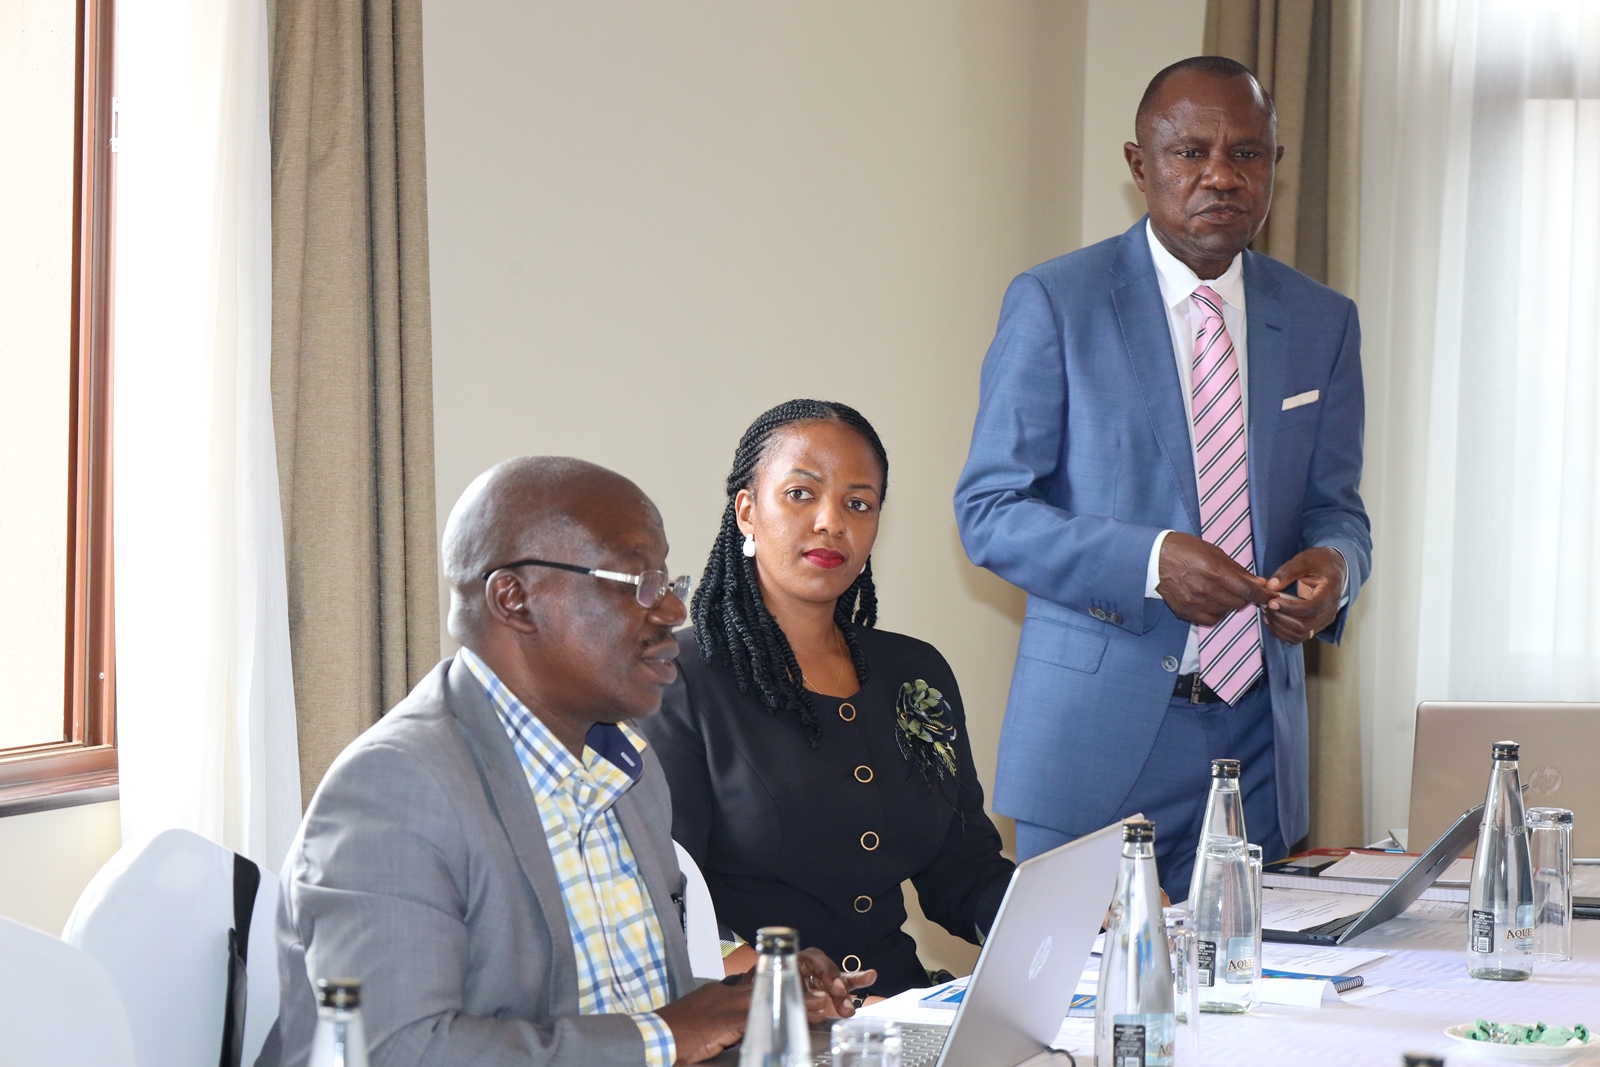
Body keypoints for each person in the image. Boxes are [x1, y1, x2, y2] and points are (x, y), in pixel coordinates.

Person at [270, 456, 871, 1067]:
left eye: (668, 583)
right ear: (516, 599)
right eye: (638, 581)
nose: (671, 612)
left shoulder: (624, 767)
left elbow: (620, 1004)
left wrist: (749, 1001)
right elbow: (390, 1050)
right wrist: (665, 1034)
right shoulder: (394, 788)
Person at [953, 57, 1372, 898]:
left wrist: (1336, 568)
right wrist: (1152, 562)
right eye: (1190, 152)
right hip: (1097, 749)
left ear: (1276, 169)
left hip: (1259, 745)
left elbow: (1337, 508)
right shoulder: (1055, 301)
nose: (1221, 175)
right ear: (1139, 165)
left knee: (1255, 1012)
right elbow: (990, 511)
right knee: (1086, 1019)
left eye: (1248, 154)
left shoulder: (1323, 320)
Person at [640, 400, 1016, 999]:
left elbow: (963, 873)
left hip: (901, 1014)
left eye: (858, 503)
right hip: (757, 1022)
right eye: (800, 494)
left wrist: (1080, 913)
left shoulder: (915, 673)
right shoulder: (677, 678)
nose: (830, 522)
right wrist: (772, 981)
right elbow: (663, 899)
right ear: (747, 512)